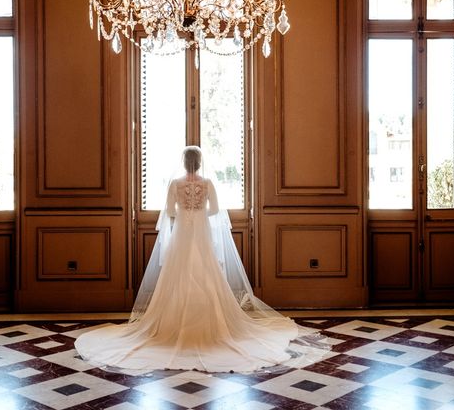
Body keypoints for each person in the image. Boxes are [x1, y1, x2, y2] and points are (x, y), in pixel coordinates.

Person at [75, 146, 327, 373]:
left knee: (178, 274)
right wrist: (199, 210)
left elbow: (170, 212)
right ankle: (213, 325)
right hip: (202, 233)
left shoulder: (174, 184)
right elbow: (216, 211)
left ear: (184, 163)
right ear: (200, 163)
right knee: (207, 273)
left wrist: (186, 212)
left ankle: (171, 326)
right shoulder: (207, 184)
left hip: (183, 233)